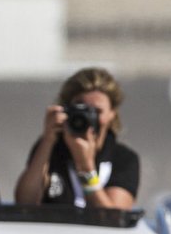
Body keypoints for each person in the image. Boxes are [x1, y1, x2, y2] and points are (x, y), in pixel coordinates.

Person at [14, 66, 139, 209]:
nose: (87, 118)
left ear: (112, 114)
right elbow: (25, 202)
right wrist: (47, 140)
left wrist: (86, 168)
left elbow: (113, 216)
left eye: (97, 111)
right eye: (80, 109)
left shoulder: (124, 159)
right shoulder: (51, 151)